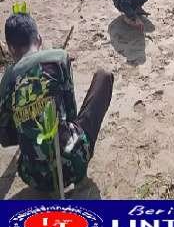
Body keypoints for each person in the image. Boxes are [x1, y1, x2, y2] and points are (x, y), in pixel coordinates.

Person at [0, 11, 113, 191]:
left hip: (32, 176)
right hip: (73, 164)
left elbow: (5, 138)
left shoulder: (7, 80)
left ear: (11, 49)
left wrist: (28, 124)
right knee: (104, 76)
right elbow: (71, 112)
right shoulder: (58, 58)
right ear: (39, 38)